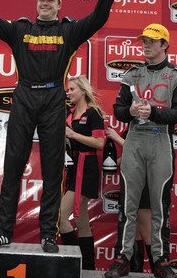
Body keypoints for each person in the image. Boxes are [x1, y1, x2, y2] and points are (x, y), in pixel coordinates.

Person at [0, 0, 124, 254]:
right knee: (13, 165)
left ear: (59, 5)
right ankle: (3, 231)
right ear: (37, 4)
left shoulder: (68, 31)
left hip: (54, 99)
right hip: (24, 97)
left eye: (50, 0)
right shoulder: (20, 29)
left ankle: (48, 234)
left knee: (54, 170)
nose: (45, 3)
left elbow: (97, 18)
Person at [106, 23, 177, 278]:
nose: (146, 45)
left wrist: (154, 112)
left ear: (165, 44)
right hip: (134, 140)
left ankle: (161, 260)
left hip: (160, 140)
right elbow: (117, 109)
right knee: (128, 203)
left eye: (152, 41)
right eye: (144, 40)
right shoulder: (132, 74)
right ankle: (123, 258)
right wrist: (129, 111)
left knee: (160, 205)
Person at [59, 76, 105, 270]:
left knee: (60, 217)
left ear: (83, 91)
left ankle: (74, 262)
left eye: (72, 89)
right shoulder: (68, 113)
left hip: (87, 167)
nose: (68, 93)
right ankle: (87, 266)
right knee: (81, 221)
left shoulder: (93, 113)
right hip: (74, 167)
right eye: (67, 90)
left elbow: (100, 143)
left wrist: (74, 134)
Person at [105, 127, 153, 273]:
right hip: (131, 180)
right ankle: (135, 271)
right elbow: (130, 154)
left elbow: (142, 152)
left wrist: (117, 138)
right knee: (134, 231)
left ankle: (159, 268)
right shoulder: (131, 124)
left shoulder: (152, 125)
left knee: (147, 231)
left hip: (145, 181)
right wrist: (115, 162)